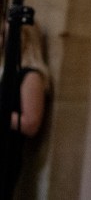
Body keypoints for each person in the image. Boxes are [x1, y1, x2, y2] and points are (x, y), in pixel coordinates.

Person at [0, 23, 50, 197]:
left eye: (5, 35)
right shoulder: (6, 72)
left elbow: (31, 123)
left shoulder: (31, 76)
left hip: (5, 154)